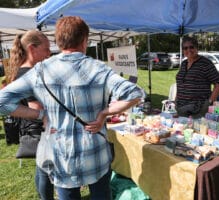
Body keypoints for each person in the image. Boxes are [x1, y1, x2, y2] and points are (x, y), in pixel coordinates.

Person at [0, 16, 143, 200]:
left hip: (61, 156)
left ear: (58, 42)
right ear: (84, 40)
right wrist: (104, 114)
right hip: (95, 153)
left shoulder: (40, 70)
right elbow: (135, 93)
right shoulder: (98, 68)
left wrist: (41, 114)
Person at [8, 30, 54, 200]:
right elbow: (36, 107)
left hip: (35, 129)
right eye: (47, 48)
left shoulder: (26, 70)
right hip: (40, 129)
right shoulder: (28, 73)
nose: (49, 53)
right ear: (33, 49)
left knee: (41, 168)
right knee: (45, 169)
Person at [175, 36, 219, 118]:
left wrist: (209, 102)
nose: (188, 50)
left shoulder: (205, 63)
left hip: (197, 110)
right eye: (185, 48)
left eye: (191, 47)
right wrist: (176, 100)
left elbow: (218, 83)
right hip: (181, 108)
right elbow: (180, 83)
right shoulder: (184, 63)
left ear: (197, 48)